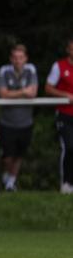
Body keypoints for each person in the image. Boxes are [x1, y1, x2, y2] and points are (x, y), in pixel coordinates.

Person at [0, 44, 38, 191]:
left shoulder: (31, 69)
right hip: (7, 121)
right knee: (7, 156)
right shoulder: (4, 70)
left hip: (26, 121)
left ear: (25, 59)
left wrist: (13, 93)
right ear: (10, 59)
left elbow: (33, 93)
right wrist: (22, 92)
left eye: (20, 57)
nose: (17, 60)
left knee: (19, 154)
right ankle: (7, 176)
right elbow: (2, 94)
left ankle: (11, 182)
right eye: (15, 57)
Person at [45, 37, 73, 194]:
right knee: (69, 147)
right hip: (65, 115)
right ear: (68, 50)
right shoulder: (59, 66)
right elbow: (48, 88)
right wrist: (65, 95)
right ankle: (66, 183)